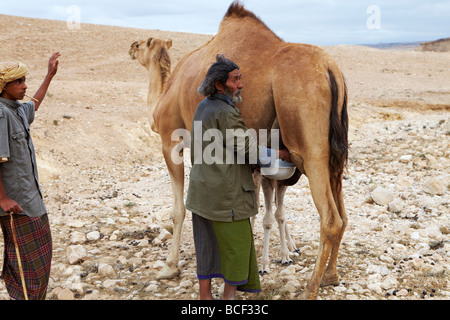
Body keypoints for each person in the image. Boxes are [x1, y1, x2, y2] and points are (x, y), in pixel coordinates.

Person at [186, 55, 290, 300]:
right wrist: (280, 154)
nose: (241, 84)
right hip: (227, 195)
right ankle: (227, 298)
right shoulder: (227, 113)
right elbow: (249, 150)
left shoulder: (203, 107)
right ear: (219, 85)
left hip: (201, 192)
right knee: (238, 246)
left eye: (240, 78)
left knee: (206, 244)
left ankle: (205, 297)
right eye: (235, 80)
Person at [0, 52, 60, 300]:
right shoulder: (1, 114)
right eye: (18, 81)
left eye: (25, 80)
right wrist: (2, 199)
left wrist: (49, 75)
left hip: (32, 202)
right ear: (4, 86)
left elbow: (33, 104)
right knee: (27, 272)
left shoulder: (16, 110)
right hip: (16, 207)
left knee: (40, 263)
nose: (24, 85)